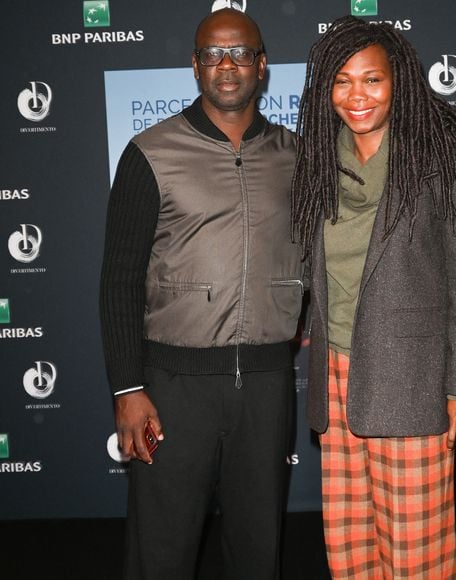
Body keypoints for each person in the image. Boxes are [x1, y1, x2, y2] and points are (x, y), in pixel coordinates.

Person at [291, 16, 456, 579]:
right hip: (336, 374)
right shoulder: (316, 159)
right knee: (350, 540)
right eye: (342, 81)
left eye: (372, 80)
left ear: (399, 81)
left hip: (413, 377)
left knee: (417, 549)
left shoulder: (442, 150)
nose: (357, 95)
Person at [100, 8, 303, 579]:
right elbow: (118, 279)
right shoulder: (151, 153)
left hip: (265, 387)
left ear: (262, 66)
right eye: (213, 54)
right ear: (195, 66)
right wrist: (128, 387)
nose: (227, 65)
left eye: (240, 52)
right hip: (171, 389)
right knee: (160, 552)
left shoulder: (299, 155)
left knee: (258, 551)